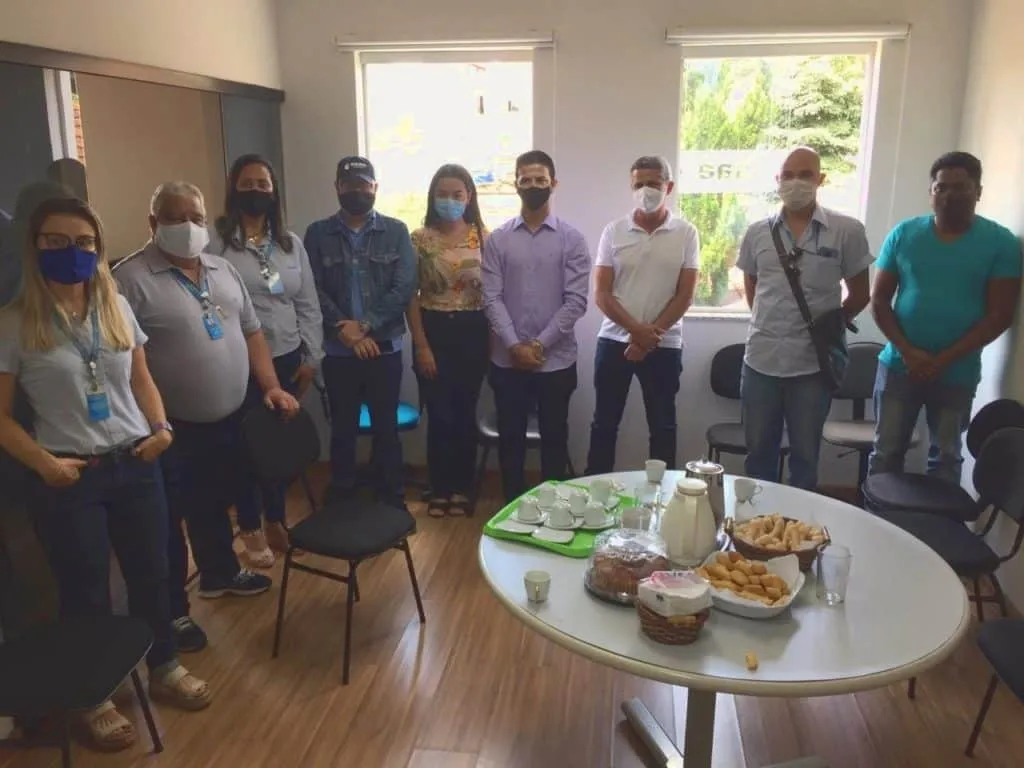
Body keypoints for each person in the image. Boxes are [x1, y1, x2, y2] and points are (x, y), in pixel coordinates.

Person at [0, 197, 210, 752]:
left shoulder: (114, 304)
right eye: (56, 242)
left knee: (152, 574)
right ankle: (94, 696)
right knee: (85, 587)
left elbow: (141, 378)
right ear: (35, 247)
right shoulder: (15, 322)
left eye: (84, 243)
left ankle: (164, 665)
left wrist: (161, 428)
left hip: (135, 462)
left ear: (97, 249)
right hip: (70, 476)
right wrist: (43, 464)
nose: (72, 252)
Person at [114, 181, 299, 653]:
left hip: (230, 417)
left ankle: (219, 573)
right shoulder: (128, 280)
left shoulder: (222, 268)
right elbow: (123, 362)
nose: (189, 227)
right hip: (168, 428)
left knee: (214, 501)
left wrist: (271, 386)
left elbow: (253, 332)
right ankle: (172, 612)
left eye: (196, 218)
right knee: (167, 524)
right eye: (176, 218)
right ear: (153, 223)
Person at [869, 152, 1022, 482]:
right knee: (885, 453)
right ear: (931, 193)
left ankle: (938, 519)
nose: (950, 195)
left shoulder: (1001, 243)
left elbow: (1000, 315)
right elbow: (879, 301)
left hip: (957, 372)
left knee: (946, 459)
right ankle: (877, 516)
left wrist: (943, 359)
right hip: (899, 365)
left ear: (978, 191)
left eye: (961, 187)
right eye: (942, 188)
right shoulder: (904, 234)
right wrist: (909, 352)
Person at [737, 146, 872, 490]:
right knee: (758, 455)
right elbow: (753, 287)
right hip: (761, 362)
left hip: (812, 367)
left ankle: (799, 522)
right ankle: (758, 520)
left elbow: (860, 294)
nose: (795, 182)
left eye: (805, 175)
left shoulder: (847, 230)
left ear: (820, 179)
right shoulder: (757, 232)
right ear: (777, 180)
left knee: (805, 458)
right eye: (788, 175)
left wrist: (829, 327)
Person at [212, 154, 324, 567]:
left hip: (288, 356)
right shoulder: (216, 245)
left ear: (274, 192)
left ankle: (275, 518)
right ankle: (249, 526)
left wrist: (312, 357)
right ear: (233, 189)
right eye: (247, 183)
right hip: (239, 364)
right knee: (247, 448)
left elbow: (307, 303)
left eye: (263, 184)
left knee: (276, 445)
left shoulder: (290, 244)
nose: (256, 191)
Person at [304, 156, 417, 509]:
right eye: (350, 185)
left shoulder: (396, 231)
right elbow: (311, 289)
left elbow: (403, 287)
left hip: (384, 347)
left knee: (386, 426)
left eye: (364, 185)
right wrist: (345, 330)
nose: (357, 191)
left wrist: (364, 325)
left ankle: (391, 495)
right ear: (337, 188)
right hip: (339, 350)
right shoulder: (317, 233)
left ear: (375, 188)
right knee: (343, 427)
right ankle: (343, 493)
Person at [481, 150, 590, 502]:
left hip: (555, 360)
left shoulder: (572, 239)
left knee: (554, 439)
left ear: (553, 183)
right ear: (516, 184)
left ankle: (553, 511)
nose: (533, 186)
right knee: (510, 440)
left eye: (540, 180)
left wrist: (539, 344)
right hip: (506, 359)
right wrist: (514, 345)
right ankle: (512, 509)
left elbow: (576, 301)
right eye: (525, 179)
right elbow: (491, 297)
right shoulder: (498, 239)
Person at [586, 156, 699, 474]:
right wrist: (637, 332)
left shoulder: (686, 233)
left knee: (663, 426)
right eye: (639, 184)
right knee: (604, 423)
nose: (645, 190)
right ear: (631, 186)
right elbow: (602, 294)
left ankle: (662, 494)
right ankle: (596, 489)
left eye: (653, 183)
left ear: (669, 187)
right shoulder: (614, 231)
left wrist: (649, 337)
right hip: (614, 342)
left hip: (665, 344)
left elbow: (685, 295)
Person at [407, 164, 490, 517]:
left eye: (457, 194)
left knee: (464, 412)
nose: (450, 201)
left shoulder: (484, 237)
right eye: (443, 194)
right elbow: (411, 296)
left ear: (469, 197)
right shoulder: (419, 239)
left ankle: (462, 488)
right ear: (432, 197)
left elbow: (495, 292)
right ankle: (439, 487)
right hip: (433, 329)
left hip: (473, 330)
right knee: (439, 413)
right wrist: (421, 345)